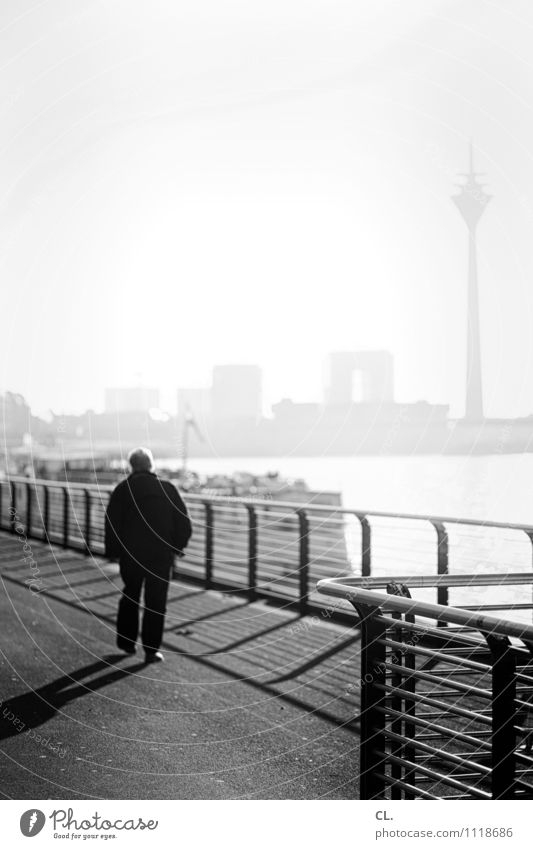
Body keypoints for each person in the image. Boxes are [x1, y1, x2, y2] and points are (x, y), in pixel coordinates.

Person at [105, 447, 192, 663]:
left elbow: (112, 523)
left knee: (131, 595)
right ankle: (152, 650)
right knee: (156, 602)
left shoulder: (123, 489)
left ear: (132, 466)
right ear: (151, 466)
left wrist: (114, 552)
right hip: (160, 555)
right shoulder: (168, 488)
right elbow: (184, 523)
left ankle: (127, 643)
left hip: (131, 554)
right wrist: (176, 547)